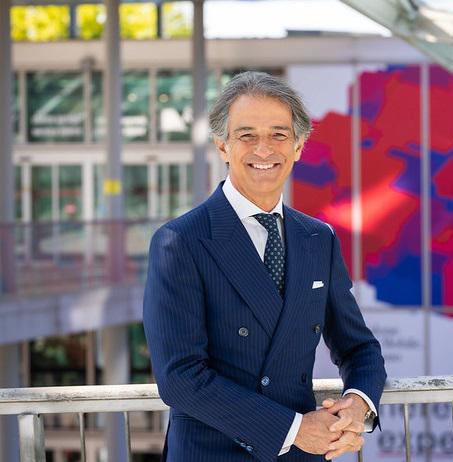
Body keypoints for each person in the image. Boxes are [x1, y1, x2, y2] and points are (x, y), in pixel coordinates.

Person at [143, 71, 386, 462]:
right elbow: (180, 377)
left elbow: (359, 348)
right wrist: (295, 429)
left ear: (298, 146)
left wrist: (356, 406)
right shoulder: (180, 241)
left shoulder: (317, 238)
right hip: (213, 453)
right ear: (222, 146)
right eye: (246, 135)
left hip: (304, 454)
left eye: (278, 134)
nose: (264, 149)